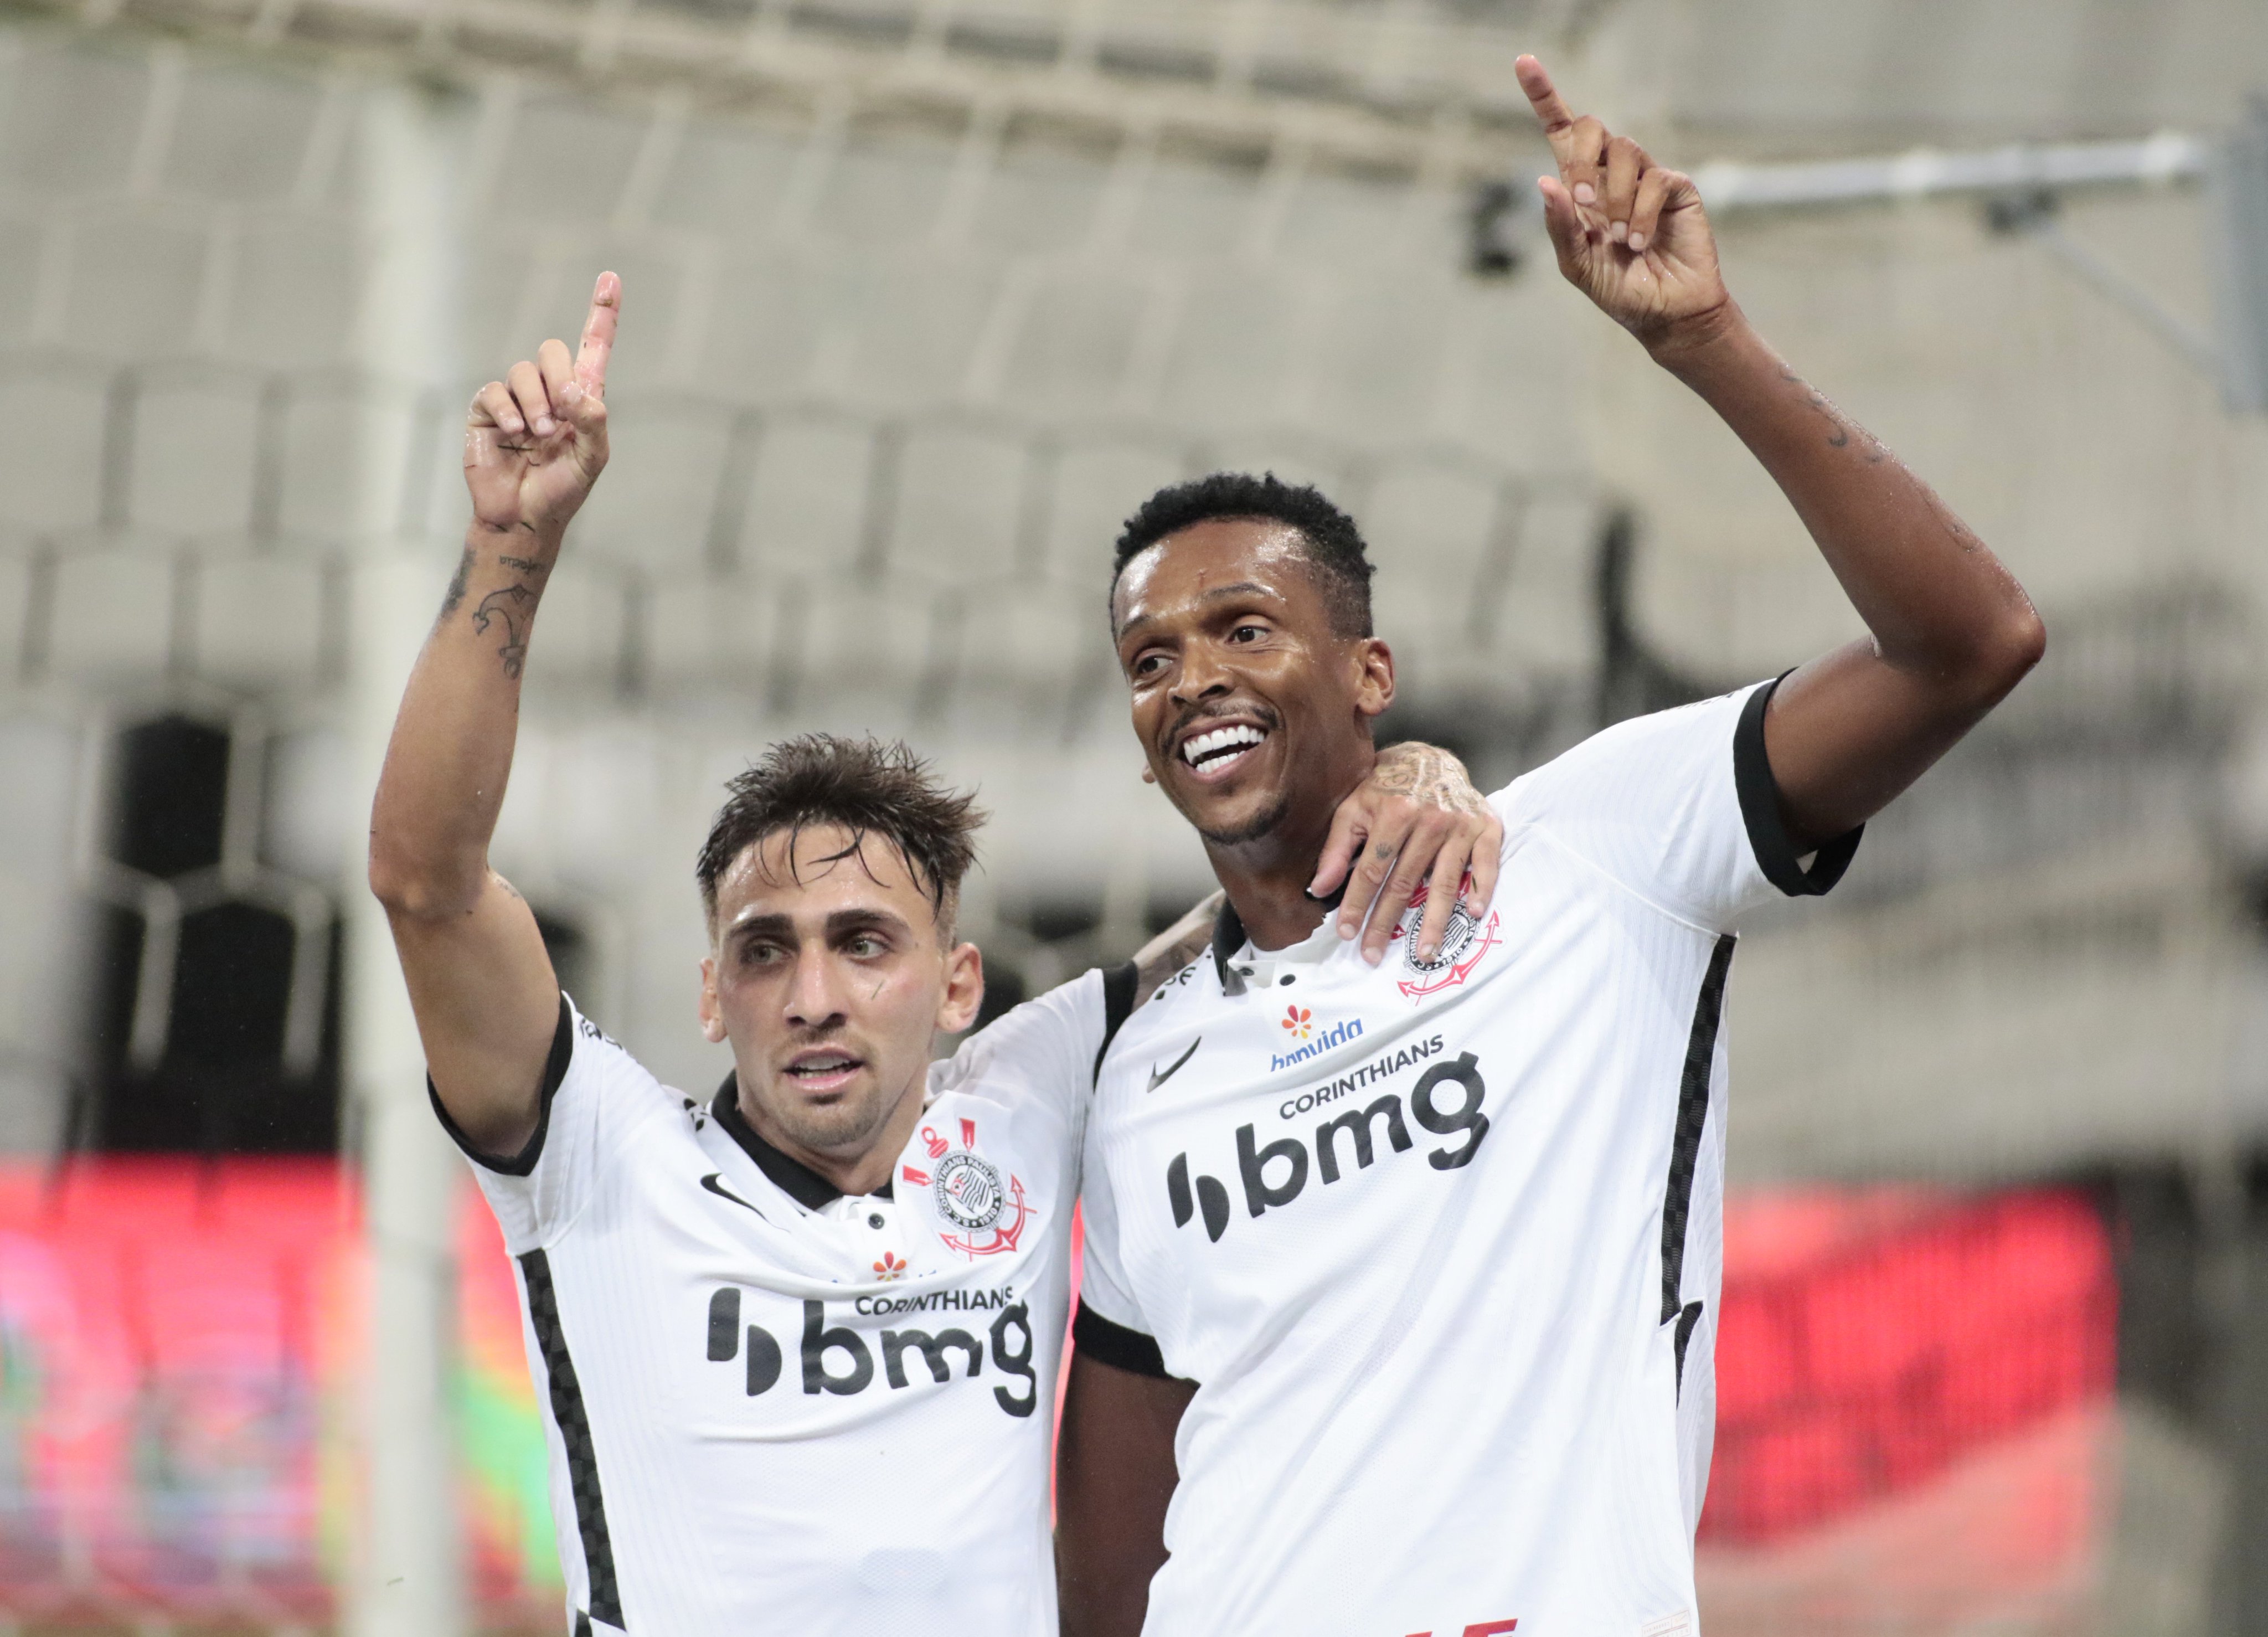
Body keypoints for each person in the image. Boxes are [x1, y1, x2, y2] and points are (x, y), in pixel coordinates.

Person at [1055, 54, 2048, 1637]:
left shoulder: (1593, 847)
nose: (1194, 682)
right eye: (1150, 659)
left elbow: (1969, 643)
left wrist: (1707, 345)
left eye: (1244, 626)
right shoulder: (1136, 1064)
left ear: (1370, 675)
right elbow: (1111, 1562)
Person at [364, 274, 1502, 1634]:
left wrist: (1417, 771)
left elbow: (1264, 895)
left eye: (864, 943)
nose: (816, 994)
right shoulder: (599, 1160)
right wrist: (510, 546)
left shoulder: (1028, 1099)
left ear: (959, 984)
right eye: (765, 953)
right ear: (711, 997)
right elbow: (426, 883)